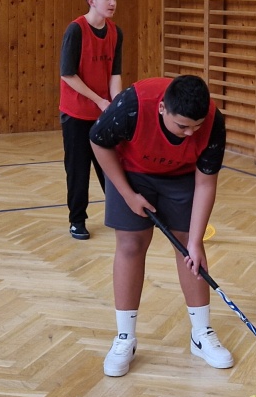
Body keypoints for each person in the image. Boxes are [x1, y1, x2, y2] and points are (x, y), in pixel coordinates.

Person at [90, 74, 233, 378]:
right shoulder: (132, 104)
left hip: (182, 177)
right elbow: (99, 141)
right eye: (182, 126)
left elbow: (206, 183)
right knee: (131, 245)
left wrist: (195, 241)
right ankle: (125, 338)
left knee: (187, 247)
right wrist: (127, 195)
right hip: (131, 173)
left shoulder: (213, 122)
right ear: (162, 108)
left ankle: (201, 334)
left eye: (196, 126)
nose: (190, 133)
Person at [59, 0, 123, 240]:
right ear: (91, 1)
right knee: (78, 169)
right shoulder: (76, 30)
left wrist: (116, 105)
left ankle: (122, 214)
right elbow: (67, 74)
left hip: (103, 113)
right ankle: (77, 221)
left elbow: (115, 73)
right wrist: (98, 100)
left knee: (112, 167)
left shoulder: (116, 32)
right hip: (76, 113)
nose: (112, 3)